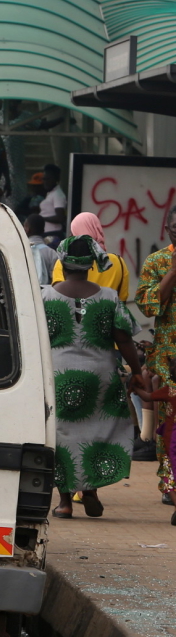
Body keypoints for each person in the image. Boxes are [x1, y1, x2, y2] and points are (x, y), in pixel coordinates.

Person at [47, 235, 144, 519]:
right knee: (99, 431)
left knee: (61, 435)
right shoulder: (109, 297)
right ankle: (90, 490)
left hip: (59, 377)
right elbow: (124, 339)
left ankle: (65, 501)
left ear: (61, 263)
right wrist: (137, 373)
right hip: (100, 376)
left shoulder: (44, 296)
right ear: (91, 265)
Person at [138, 205, 176, 511]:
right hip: (169, 356)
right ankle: (169, 482)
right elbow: (148, 307)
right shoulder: (157, 261)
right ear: (168, 229)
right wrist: (173, 271)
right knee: (168, 422)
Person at [51, 213, 130, 300]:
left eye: (72, 233)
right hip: (110, 312)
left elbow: (58, 298)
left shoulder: (64, 262)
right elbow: (122, 299)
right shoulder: (118, 262)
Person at [38, 164, 68, 243]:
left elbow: (60, 217)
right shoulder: (51, 193)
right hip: (47, 233)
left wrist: (41, 218)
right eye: (44, 179)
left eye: (48, 179)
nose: (45, 182)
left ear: (56, 179)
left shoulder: (58, 194)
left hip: (53, 235)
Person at [26, 215, 57, 288]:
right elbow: (55, 279)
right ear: (43, 230)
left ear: (27, 229)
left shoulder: (20, 250)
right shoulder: (51, 253)